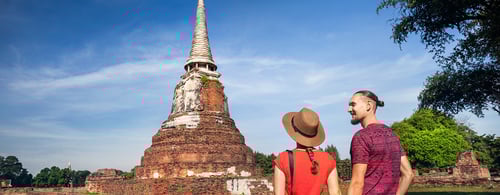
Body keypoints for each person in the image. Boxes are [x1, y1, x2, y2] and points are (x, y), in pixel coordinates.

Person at [347, 90, 414, 195]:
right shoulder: (392, 134)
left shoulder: (361, 137)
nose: (349, 109)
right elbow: (408, 174)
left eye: (353, 104)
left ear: (368, 106)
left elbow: (357, 184)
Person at [274, 107, 342, 195]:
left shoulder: (283, 159)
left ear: (294, 130)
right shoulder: (328, 159)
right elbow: (335, 192)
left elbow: (278, 193)